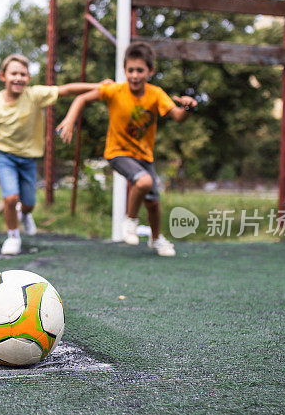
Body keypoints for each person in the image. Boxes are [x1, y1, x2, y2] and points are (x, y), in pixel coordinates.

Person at [56, 41, 197, 257]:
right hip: (117, 153)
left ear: (150, 71)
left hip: (144, 156)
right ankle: (129, 221)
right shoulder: (115, 91)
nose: (134, 75)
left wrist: (187, 107)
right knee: (144, 181)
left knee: (153, 203)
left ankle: (156, 238)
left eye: (140, 70)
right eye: (130, 70)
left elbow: (178, 117)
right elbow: (82, 97)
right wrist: (70, 119)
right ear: (125, 71)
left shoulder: (156, 94)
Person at [0, 54, 106, 255]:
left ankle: (26, 215)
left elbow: (66, 90)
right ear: (3, 76)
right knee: (10, 198)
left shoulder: (35, 95)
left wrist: (96, 86)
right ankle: (13, 236)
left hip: (28, 159)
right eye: (14, 73)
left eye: (23, 74)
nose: (18, 78)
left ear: (28, 78)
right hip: (5, 156)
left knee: (28, 203)